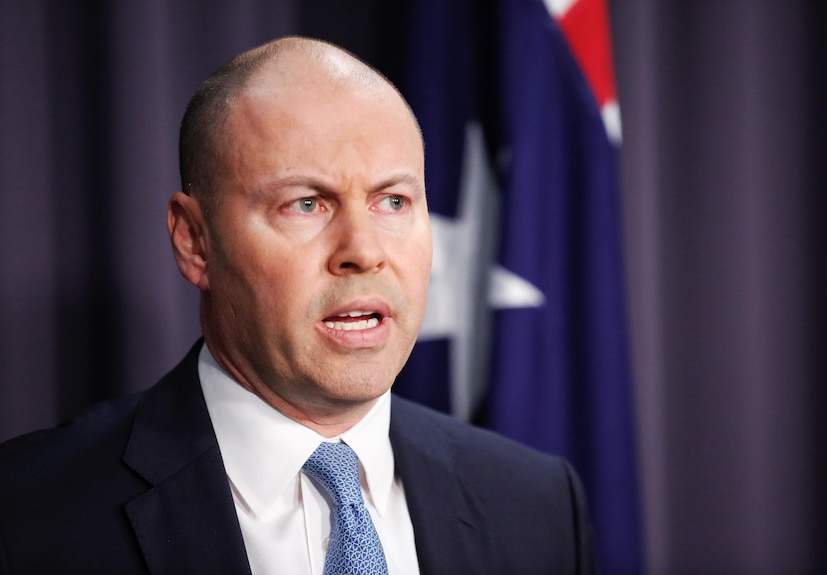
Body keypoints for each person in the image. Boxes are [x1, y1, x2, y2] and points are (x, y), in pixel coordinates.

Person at [0, 37, 596, 575]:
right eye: (307, 204)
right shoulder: (27, 514)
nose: (363, 251)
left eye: (392, 201)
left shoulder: (538, 504)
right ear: (195, 241)